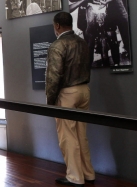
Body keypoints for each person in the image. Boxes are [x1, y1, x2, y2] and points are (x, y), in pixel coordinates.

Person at [46, 12, 95, 187]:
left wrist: (50, 101)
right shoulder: (83, 42)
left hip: (67, 93)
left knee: (68, 136)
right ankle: (88, 173)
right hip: (84, 90)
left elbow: (54, 76)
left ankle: (75, 177)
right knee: (82, 135)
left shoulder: (57, 45)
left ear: (57, 25)